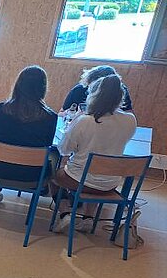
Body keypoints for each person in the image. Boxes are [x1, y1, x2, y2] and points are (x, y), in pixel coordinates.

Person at [53, 74, 136, 229]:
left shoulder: (85, 120)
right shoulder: (130, 120)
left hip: (78, 180)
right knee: (97, 170)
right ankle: (88, 217)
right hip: (110, 184)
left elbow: (64, 149)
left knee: (53, 175)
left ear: (94, 95)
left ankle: (65, 213)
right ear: (121, 97)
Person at [0, 66, 58, 209]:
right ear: (43, 88)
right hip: (33, 176)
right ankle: (49, 194)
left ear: (18, 84)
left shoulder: (1, 109)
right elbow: (47, 144)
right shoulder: (50, 116)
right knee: (54, 157)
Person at [61, 65, 133, 113]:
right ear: (89, 81)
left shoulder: (120, 91)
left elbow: (128, 113)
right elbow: (61, 113)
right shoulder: (79, 90)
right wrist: (70, 114)